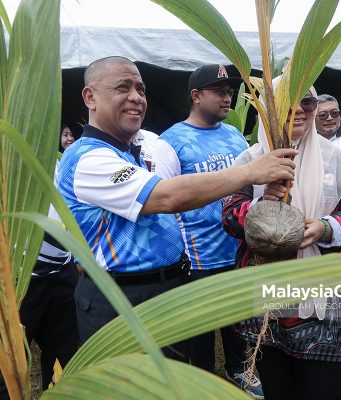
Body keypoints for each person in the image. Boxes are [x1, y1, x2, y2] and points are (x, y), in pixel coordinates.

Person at [57, 56, 297, 356]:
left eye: (141, 89)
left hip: (169, 286)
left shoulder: (138, 148)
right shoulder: (87, 158)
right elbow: (166, 197)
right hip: (122, 297)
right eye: (123, 87)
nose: (136, 97)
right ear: (90, 97)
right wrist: (250, 172)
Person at [222, 79, 341, 400]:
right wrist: (262, 206)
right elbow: (230, 217)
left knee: (324, 389)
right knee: (278, 389)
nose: (299, 110)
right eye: (288, 102)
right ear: (267, 109)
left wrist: (326, 228)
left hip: (326, 298)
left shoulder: (337, 158)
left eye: (308, 102)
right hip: (269, 296)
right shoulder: (250, 161)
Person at [154, 64, 263, 399]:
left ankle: (240, 373)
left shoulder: (232, 135)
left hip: (237, 252)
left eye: (229, 91)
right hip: (197, 258)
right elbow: (164, 200)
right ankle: (200, 387)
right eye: (219, 91)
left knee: (239, 330)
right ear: (196, 96)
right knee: (198, 340)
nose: (227, 97)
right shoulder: (170, 141)